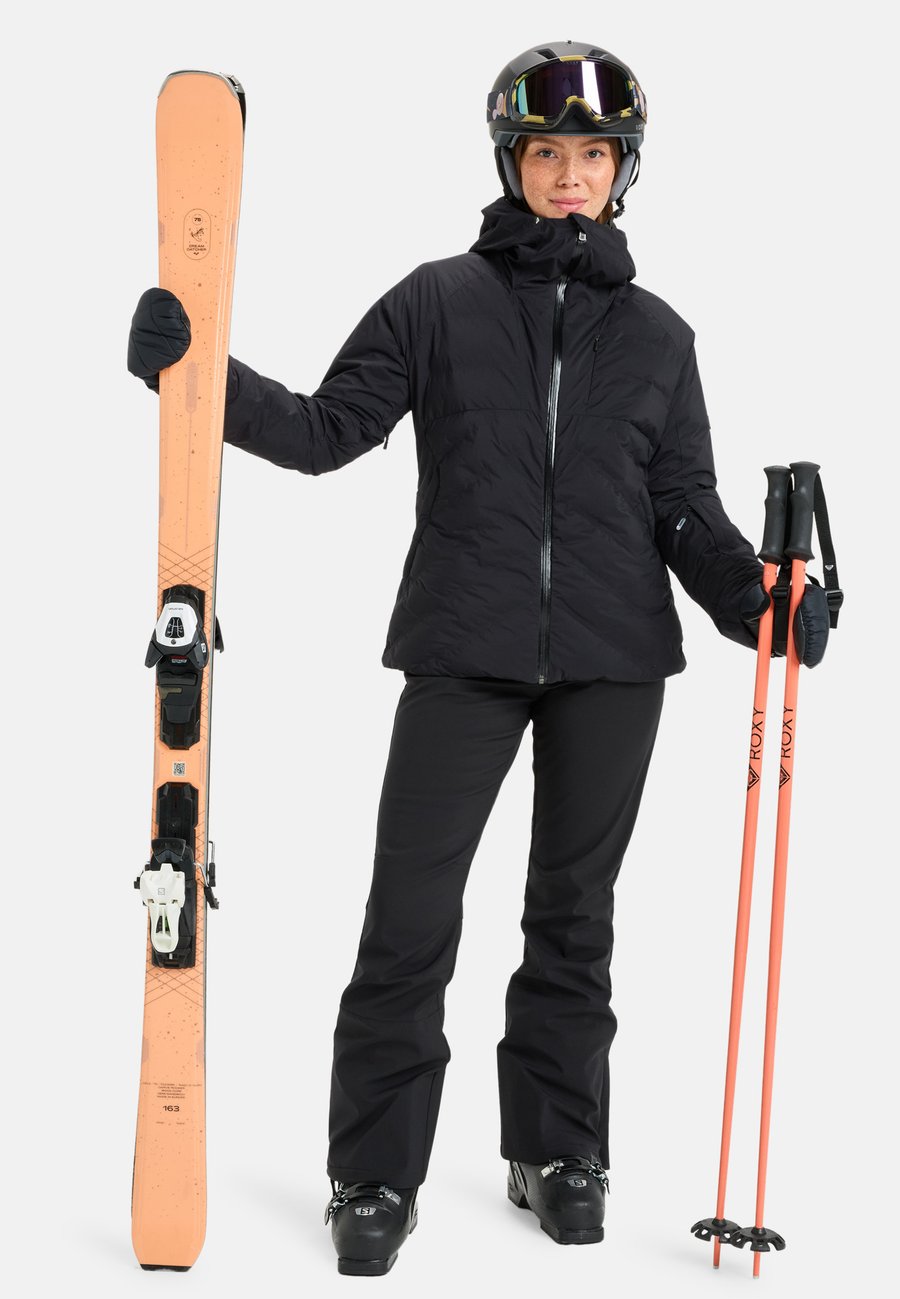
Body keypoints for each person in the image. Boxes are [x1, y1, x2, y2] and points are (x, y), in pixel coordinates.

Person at [128, 39, 828, 1277]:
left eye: (594, 154)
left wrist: (764, 606)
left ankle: (557, 1152)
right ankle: (374, 1173)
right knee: (409, 916)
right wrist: (198, 376)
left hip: (615, 662)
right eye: (547, 152)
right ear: (512, 162)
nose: (570, 174)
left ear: (624, 171)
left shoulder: (660, 337)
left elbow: (684, 512)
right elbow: (326, 429)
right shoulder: (435, 302)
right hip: (464, 645)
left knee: (575, 917)